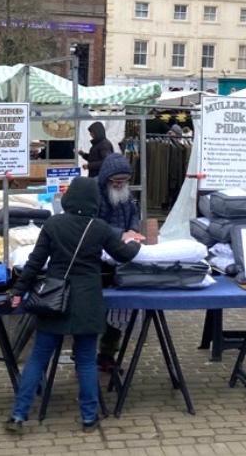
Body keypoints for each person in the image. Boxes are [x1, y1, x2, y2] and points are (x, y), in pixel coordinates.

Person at [5, 177, 141, 433]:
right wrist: (134, 243)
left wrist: (17, 291)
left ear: (69, 199)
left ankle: (19, 415)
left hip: (55, 299)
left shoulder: (53, 224)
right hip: (88, 301)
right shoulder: (100, 228)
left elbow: (34, 263)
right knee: (87, 361)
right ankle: (89, 417)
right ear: (93, 201)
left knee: (37, 359)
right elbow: (122, 255)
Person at [95, 153, 144, 370]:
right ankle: (85, 354)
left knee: (119, 310)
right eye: (116, 181)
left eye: (123, 181)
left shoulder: (126, 194)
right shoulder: (95, 194)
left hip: (121, 254)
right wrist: (118, 234)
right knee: (98, 309)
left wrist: (133, 229)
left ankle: (108, 353)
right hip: (100, 257)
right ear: (106, 178)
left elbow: (134, 212)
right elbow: (95, 222)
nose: (119, 185)